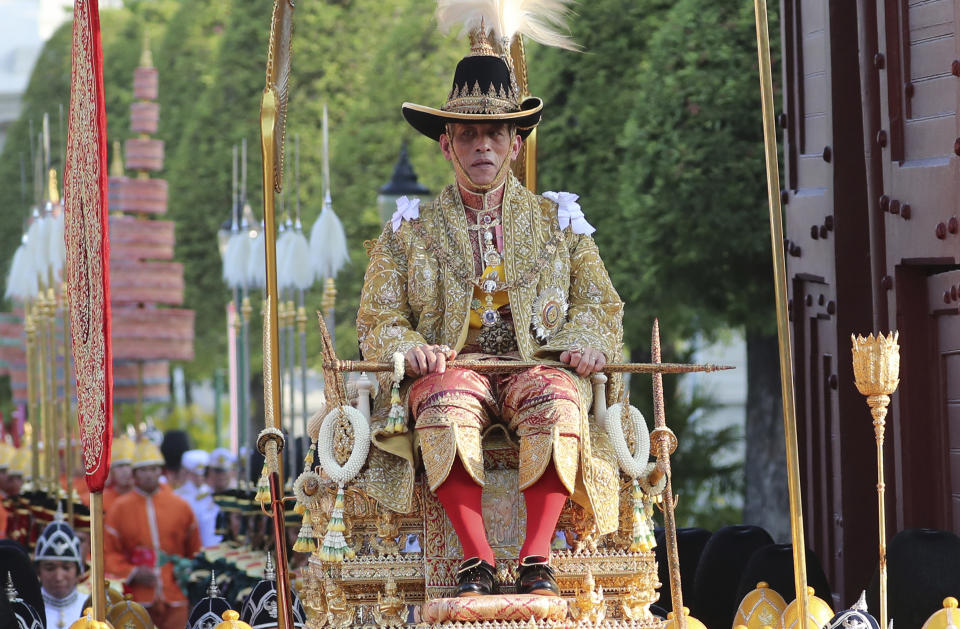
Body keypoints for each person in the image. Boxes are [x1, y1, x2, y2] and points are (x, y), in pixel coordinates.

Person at [357, 25, 623, 597]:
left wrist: (584, 341)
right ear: (447, 143)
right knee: (446, 397)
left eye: (495, 134)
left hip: (537, 368)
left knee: (556, 395)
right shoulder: (409, 234)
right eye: (469, 134)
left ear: (515, 144)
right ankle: (475, 560)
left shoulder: (561, 226)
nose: (483, 146)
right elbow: (378, 318)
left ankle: (536, 560)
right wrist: (409, 349)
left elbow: (600, 303)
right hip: (453, 371)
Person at [104, 439, 202, 629]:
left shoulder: (181, 506)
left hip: (176, 596)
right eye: (143, 470)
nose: (149, 475)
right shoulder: (119, 508)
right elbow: (108, 553)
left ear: (161, 471)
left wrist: (186, 572)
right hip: (136, 598)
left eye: (153, 469)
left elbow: (195, 552)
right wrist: (132, 572)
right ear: (135, 474)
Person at [34, 503, 86, 628]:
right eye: (50, 568)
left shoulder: (91, 607)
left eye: (66, 568)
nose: (58, 577)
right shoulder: (28, 608)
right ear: (38, 571)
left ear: (78, 571)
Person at [102, 434, 136, 513]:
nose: (125, 471)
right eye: (120, 466)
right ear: (111, 470)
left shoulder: (145, 498)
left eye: (128, 465)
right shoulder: (101, 501)